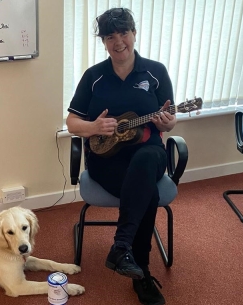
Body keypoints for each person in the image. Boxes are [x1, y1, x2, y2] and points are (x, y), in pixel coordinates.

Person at [66, 7, 176, 305]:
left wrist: (168, 122)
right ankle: (140, 272)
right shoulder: (94, 76)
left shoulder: (155, 71)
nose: (118, 42)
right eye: (110, 36)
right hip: (106, 159)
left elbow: (170, 115)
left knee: (144, 162)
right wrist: (93, 126)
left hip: (148, 153)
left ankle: (122, 246)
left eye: (124, 33)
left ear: (134, 33)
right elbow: (71, 122)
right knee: (148, 194)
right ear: (103, 41)